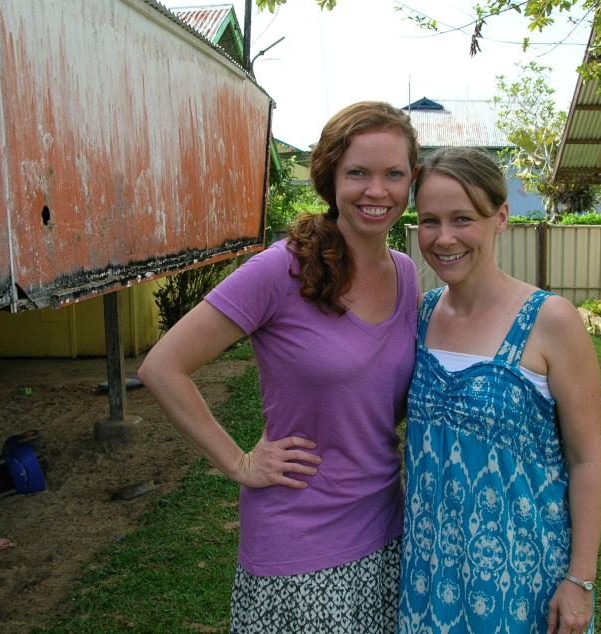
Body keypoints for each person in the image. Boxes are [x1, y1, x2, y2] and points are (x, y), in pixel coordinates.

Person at [138, 101, 420, 634]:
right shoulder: (281, 268)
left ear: (412, 182)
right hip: (302, 544)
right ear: (331, 176)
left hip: (388, 528)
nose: (376, 191)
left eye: (394, 174)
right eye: (357, 172)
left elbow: (385, 401)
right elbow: (163, 366)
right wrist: (238, 462)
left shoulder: (406, 274)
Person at [399, 147, 601, 634]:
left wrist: (581, 578)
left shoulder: (550, 320)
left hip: (523, 577)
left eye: (462, 219)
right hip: (427, 572)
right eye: (429, 220)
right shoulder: (420, 315)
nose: (444, 238)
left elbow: (587, 460)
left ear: (501, 217)